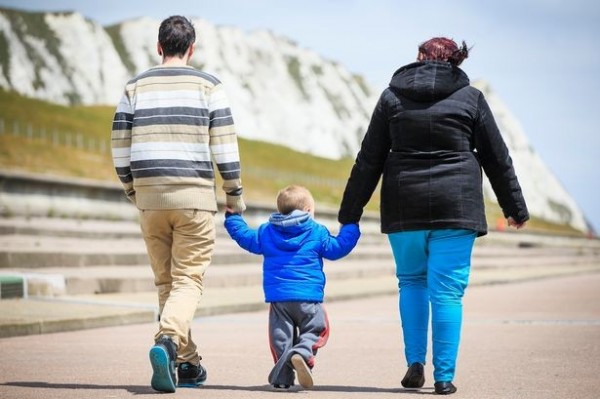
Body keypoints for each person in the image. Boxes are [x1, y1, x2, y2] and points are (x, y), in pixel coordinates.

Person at [337, 37, 529, 395]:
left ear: (420, 59)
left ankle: (414, 362)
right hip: (456, 208)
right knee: (448, 294)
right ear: (454, 62)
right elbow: (497, 157)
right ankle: (444, 377)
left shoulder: (391, 97)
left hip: (404, 205)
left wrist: (350, 213)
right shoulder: (471, 98)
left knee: (411, 282)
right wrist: (514, 208)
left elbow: (369, 159)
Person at [111, 15, 246, 393]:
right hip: (193, 198)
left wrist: (132, 190)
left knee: (166, 282)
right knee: (188, 280)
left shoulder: (134, 87)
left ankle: (186, 364)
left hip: (150, 197)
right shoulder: (210, 87)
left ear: (159, 47)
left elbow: (119, 146)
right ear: (191, 49)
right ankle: (167, 341)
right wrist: (234, 195)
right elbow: (225, 147)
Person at [224, 185, 360, 389]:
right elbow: (337, 248)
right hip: (309, 298)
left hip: (279, 299)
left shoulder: (266, 232)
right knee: (317, 330)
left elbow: (245, 237)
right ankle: (303, 353)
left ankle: (282, 379)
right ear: (307, 211)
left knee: (281, 339)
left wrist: (233, 218)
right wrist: (350, 226)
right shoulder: (317, 231)